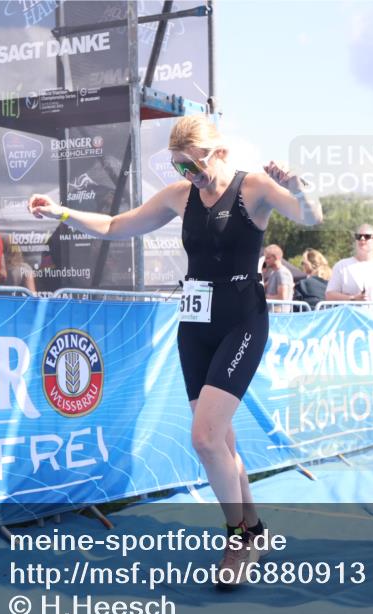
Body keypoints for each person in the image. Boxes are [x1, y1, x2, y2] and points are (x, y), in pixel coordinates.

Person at [27, 114, 323, 587]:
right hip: (195, 322)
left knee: (204, 439)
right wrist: (62, 212)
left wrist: (299, 185)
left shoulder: (256, 189)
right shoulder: (180, 197)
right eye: (178, 167)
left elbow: (311, 217)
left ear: (218, 153)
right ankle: (256, 530)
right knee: (221, 440)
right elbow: (114, 225)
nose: (188, 176)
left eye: (194, 166)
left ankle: (238, 538)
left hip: (242, 318)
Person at [326, 224, 373, 302]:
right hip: (349, 313)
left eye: (367, 236)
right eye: (358, 236)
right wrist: (353, 298)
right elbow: (330, 295)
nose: (362, 239)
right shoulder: (341, 266)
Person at [262, 244, 293, 312]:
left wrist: (264, 297)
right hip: (275, 314)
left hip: (279, 316)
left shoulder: (282, 273)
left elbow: (282, 297)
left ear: (275, 257)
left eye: (268, 258)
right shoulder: (273, 273)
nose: (266, 261)